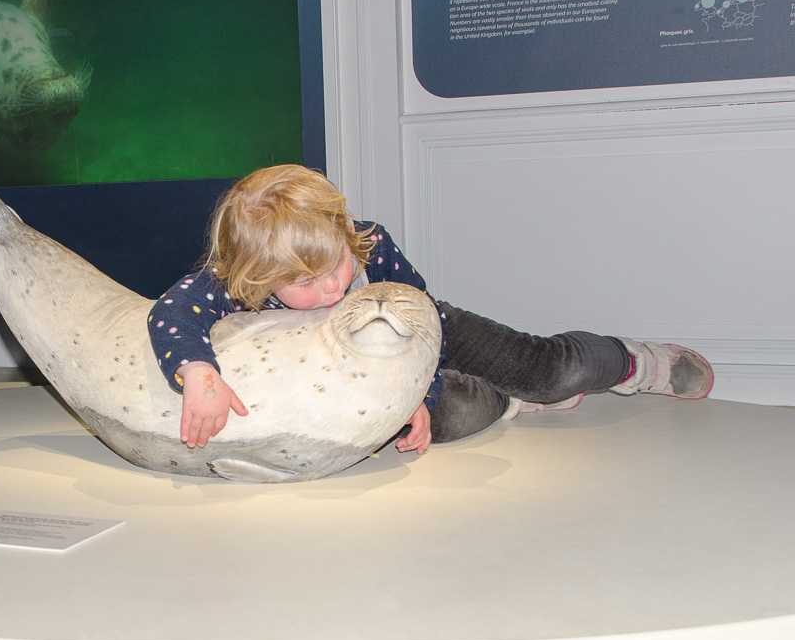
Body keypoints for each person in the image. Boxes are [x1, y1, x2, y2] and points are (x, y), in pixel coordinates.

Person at [148, 164, 713, 451]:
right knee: (451, 420)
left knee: (549, 369)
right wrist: (197, 370)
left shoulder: (371, 242)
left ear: (346, 233)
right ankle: (510, 399)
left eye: (336, 265)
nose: (330, 290)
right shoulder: (233, 280)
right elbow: (170, 312)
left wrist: (420, 385)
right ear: (257, 276)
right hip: (371, 375)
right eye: (303, 283)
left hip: (432, 334)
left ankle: (632, 362)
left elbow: (419, 320)